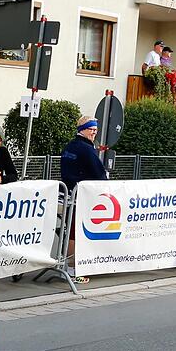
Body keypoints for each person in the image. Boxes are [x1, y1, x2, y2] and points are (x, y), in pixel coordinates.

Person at [61, 116, 109, 284]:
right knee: (75, 233)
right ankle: (73, 271)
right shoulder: (87, 149)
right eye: (91, 129)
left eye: (96, 130)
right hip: (81, 196)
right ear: (82, 130)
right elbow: (99, 174)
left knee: (71, 232)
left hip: (70, 194)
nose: (94, 133)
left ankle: (69, 268)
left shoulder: (70, 146)